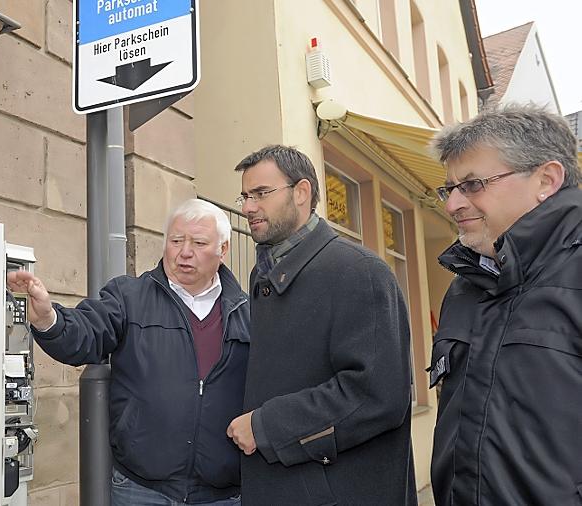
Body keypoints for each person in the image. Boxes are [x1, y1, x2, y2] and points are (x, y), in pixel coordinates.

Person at [7, 199, 250, 505]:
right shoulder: (129, 296)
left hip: (221, 494)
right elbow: (85, 333)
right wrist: (46, 318)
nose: (184, 252)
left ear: (223, 250)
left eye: (199, 242)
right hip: (142, 490)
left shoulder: (248, 312)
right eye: (176, 241)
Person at [226, 145, 417, 505]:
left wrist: (266, 427)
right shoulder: (263, 273)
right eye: (245, 196)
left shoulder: (360, 271)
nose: (248, 207)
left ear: (301, 193)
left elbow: (376, 396)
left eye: (261, 194)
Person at [429, 105, 582, 505]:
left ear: (546, 180)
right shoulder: (464, 287)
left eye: (473, 184)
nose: (452, 205)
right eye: (449, 189)